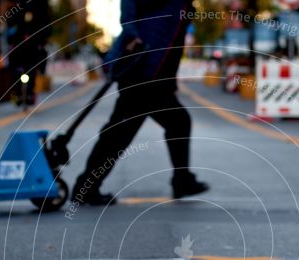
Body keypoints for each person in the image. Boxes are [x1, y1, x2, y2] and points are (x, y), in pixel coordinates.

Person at [72, 0, 208, 206]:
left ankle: (182, 180)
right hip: (142, 71)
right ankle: (86, 187)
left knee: (175, 123)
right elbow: (129, 4)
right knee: (119, 134)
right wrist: (131, 33)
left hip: (155, 75)